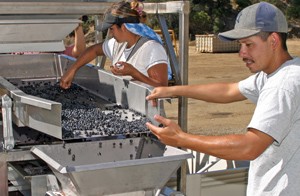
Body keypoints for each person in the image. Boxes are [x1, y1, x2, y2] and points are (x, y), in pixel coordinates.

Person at [146, 2, 300, 195]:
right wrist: (171, 90)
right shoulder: (276, 73)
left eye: (249, 44)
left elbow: (248, 147)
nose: (241, 53)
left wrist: (181, 138)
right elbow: (228, 90)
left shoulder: (282, 85)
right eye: (240, 45)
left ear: (274, 41)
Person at [60, 0, 169, 89]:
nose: (111, 33)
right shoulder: (118, 44)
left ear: (124, 27)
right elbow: (93, 50)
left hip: (149, 112)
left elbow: (163, 87)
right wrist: (72, 70)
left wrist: (133, 73)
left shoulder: (151, 48)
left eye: (112, 29)